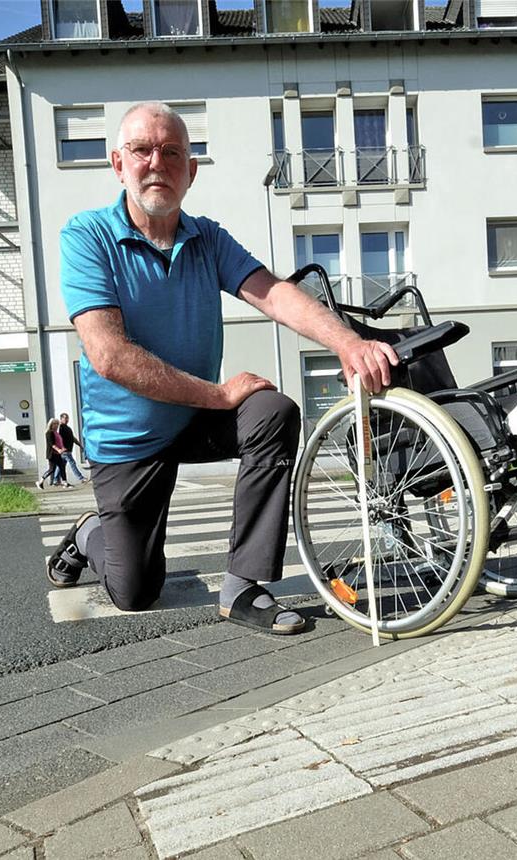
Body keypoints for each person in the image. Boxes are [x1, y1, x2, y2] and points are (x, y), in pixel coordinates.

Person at [45, 101, 397, 635]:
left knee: (273, 412)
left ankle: (243, 587)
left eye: (172, 152)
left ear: (190, 171)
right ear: (119, 163)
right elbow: (109, 356)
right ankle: (90, 533)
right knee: (136, 591)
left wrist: (347, 341)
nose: (155, 163)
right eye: (141, 151)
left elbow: (275, 293)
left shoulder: (206, 237)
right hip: (128, 442)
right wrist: (218, 395)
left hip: (190, 420)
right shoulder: (87, 237)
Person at [57, 413, 89, 484]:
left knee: (61, 465)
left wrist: (79, 444)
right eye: (65, 418)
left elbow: (72, 438)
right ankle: (81, 478)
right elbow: (58, 438)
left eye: (67, 418)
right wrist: (61, 448)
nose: (66, 420)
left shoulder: (68, 428)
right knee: (72, 463)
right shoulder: (60, 427)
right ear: (61, 419)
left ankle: (55, 480)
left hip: (68, 449)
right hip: (65, 450)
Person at [38, 418, 69, 489]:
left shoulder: (56, 433)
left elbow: (59, 442)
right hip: (52, 454)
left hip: (57, 454)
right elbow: (52, 444)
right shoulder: (49, 433)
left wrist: (62, 448)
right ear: (51, 424)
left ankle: (65, 482)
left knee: (62, 467)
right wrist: (58, 450)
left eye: (57, 424)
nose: (56, 425)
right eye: (54, 424)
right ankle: (40, 481)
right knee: (52, 469)